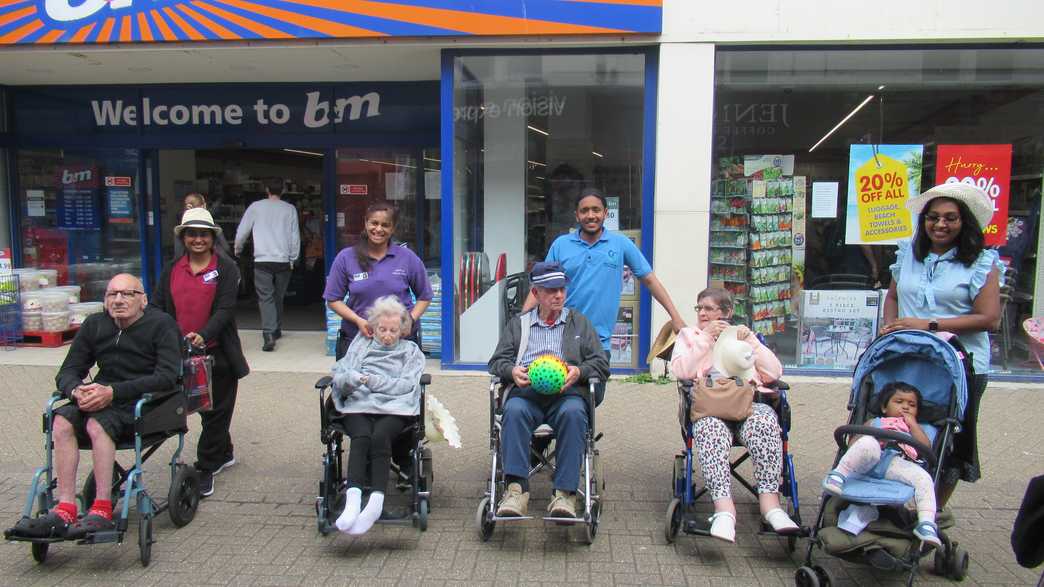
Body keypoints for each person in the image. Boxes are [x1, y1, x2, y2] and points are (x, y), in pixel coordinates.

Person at [7, 274, 180, 539]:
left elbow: (167, 376)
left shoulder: (161, 325)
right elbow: (69, 370)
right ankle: (64, 507)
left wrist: (113, 392)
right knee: (61, 420)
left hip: (140, 401)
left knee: (96, 423)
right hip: (97, 396)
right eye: (112, 294)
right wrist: (77, 391)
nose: (119, 300)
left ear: (143, 299)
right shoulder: (95, 325)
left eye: (127, 294)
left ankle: (101, 509)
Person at [882, 182, 1003, 504]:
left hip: (961, 364)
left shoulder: (981, 262)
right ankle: (889, 497)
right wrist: (889, 325)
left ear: (965, 222)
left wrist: (930, 325)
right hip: (908, 358)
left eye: (950, 217)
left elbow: (990, 317)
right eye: (933, 217)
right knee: (895, 426)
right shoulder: (908, 253)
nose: (940, 224)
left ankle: (932, 510)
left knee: (949, 439)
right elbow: (893, 296)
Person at [669, 287, 799, 543]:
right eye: (700, 308)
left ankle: (771, 506)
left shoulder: (742, 336)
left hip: (748, 404)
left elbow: (774, 372)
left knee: (765, 422)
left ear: (727, 312)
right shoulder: (689, 335)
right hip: (711, 407)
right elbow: (681, 371)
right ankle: (724, 511)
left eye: (709, 308)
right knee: (709, 430)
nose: (703, 313)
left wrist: (749, 341)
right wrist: (705, 339)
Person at [488, 262, 610, 519]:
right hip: (527, 393)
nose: (558, 295)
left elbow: (601, 363)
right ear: (535, 293)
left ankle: (564, 495)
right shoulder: (519, 325)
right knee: (514, 412)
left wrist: (579, 371)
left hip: (567, 395)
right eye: (550, 290)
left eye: (562, 290)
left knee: (574, 415)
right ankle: (516, 491)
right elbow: (496, 361)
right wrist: (512, 371)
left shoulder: (579, 323)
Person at [524, 188, 686, 362]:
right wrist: (523, 323)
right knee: (557, 388)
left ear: (606, 213)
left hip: (599, 343)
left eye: (596, 209)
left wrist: (675, 317)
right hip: (561, 337)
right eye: (584, 211)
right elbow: (541, 287)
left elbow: (650, 280)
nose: (591, 215)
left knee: (594, 389)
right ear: (577, 215)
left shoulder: (620, 244)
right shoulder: (561, 244)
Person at [153, 208, 250, 498]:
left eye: (203, 234)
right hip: (178, 352)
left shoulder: (226, 268)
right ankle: (225, 451)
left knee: (216, 409)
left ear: (212, 238)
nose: (198, 239)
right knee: (197, 408)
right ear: (183, 237)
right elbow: (158, 306)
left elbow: (225, 309)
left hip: (217, 353)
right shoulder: (172, 268)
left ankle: (206, 467)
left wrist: (204, 334)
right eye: (192, 234)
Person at [329, 296, 425, 535]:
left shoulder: (410, 351)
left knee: (380, 436)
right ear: (373, 326)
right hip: (358, 405)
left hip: (395, 407)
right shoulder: (361, 343)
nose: (387, 335)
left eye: (393, 330)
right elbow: (339, 378)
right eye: (382, 329)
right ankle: (352, 503)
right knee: (361, 436)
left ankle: (375, 504)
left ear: (403, 329)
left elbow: (405, 385)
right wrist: (352, 380)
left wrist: (371, 381)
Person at [821, 382, 942, 548]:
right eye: (899, 402)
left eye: (911, 405)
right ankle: (838, 475)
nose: (905, 407)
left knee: (924, 478)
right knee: (868, 442)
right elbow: (854, 444)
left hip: (896, 464)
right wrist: (866, 438)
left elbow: (926, 448)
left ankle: (926, 523)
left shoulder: (917, 429)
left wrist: (912, 425)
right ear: (884, 408)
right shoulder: (875, 422)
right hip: (869, 461)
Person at [324, 201, 433, 360]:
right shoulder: (346, 258)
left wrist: (410, 319)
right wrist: (358, 320)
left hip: (400, 342)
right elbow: (333, 299)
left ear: (393, 228)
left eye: (385, 225)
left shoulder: (407, 258)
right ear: (366, 223)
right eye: (374, 223)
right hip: (358, 340)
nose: (378, 229)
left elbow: (425, 295)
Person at [234, 178, 300, 352]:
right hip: (283, 259)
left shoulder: (255, 207)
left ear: (266, 189)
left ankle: (269, 333)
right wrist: (293, 257)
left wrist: (237, 248)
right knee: (278, 296)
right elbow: (294, 235)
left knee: (266, 297)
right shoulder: (289, 209)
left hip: (262, 259)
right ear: (283, 190)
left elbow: (242, 231)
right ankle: (275, 329)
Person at [174, 192, 232, 258]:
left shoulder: (181, 229)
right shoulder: (214, 227)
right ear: (204, 206)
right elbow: (226, 247)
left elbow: (178, 255)